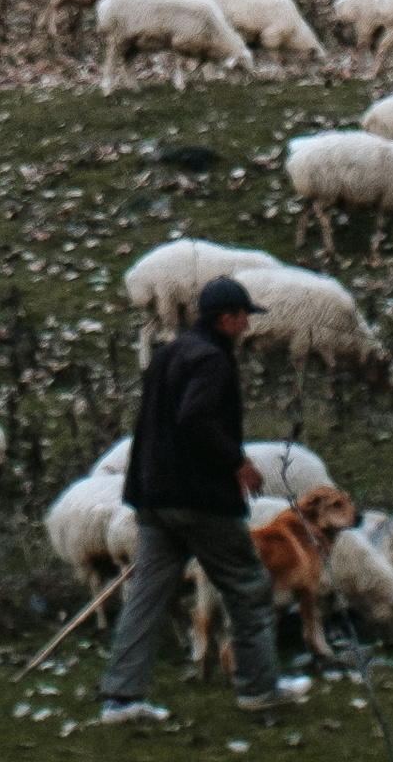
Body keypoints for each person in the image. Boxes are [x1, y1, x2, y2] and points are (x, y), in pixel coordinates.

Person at [97, 275, 311, 725]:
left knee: (148, 595)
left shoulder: (169, 354)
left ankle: (121, 697)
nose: (247, 327)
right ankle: (259, 690)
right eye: (244, 318)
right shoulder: (213, 360)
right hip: (198, 499)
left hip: (152, 496)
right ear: (227, 318)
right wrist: (238, 463)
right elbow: (194, 416)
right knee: (250, 587)